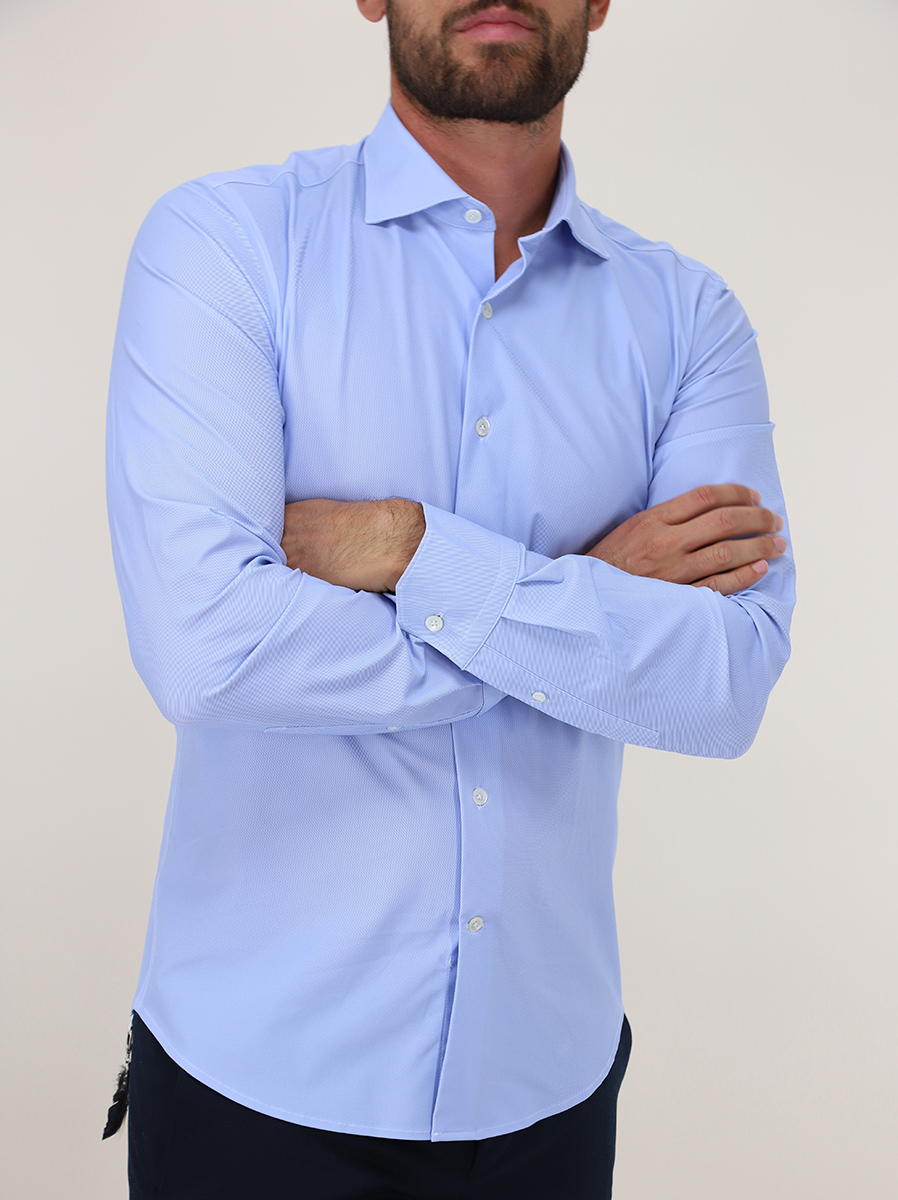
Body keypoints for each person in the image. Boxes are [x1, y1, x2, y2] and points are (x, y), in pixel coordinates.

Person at [104, 2, 795, 1196]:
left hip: (547, 1086)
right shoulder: (227, 244)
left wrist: (405, 547)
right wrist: (587, 599)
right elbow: (207, 647)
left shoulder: (687, 321)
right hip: (253, 1082)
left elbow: (723, 686)